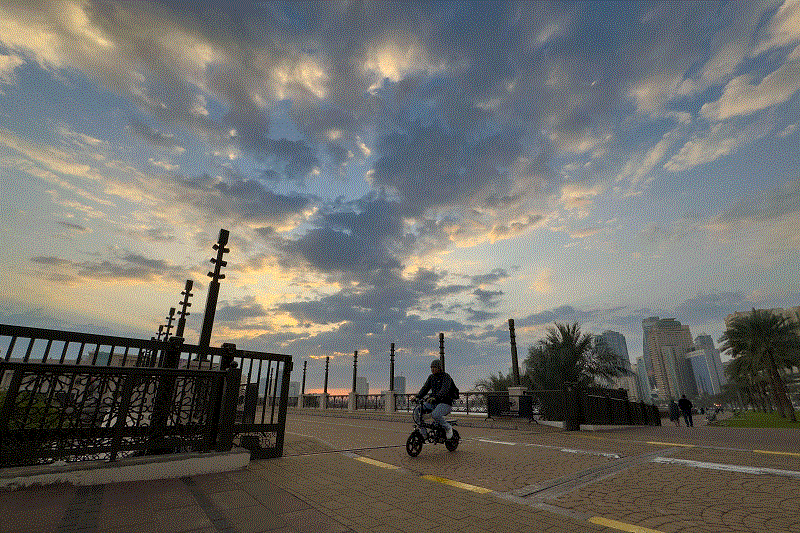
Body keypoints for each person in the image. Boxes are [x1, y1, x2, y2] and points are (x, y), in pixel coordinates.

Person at [415, 359, 455, 439]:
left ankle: (448, 428)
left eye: (434, 367)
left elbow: (444, 390)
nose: (432, 369)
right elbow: (425, 388)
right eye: (431, 367)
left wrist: (435, 398)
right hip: (434, 403)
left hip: (445, 403)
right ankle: (423, 433)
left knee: (435, 414)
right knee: (417, 410)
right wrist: (417, 397)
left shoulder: (446, 377)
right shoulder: (431, 377)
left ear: (439, 368)